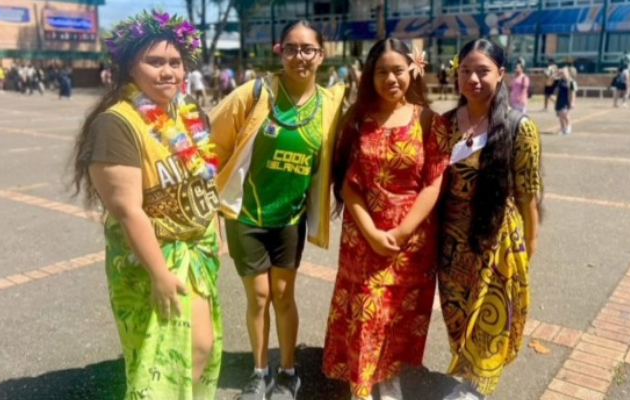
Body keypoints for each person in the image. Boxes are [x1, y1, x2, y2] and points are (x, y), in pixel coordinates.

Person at [69, 11, 223, 399]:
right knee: (160, 361)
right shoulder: (117, 124)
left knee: (201, 346)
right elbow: (128, 210)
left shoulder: (189, 114)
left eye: (175, 63)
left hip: (195, 254)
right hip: (149, 259)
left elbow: (204, 179)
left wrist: (214, 226)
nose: (168, 72)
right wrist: (158, 272)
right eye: (155, 62)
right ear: (130, 67)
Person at [208, 20, 345, 400]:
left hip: (290, 220)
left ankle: (287, 374)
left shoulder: (331, 105)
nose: (299, 56)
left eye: (308, 49)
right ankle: (258, 373)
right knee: (259, 298)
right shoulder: (254, 94)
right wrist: (210, 198)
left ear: (321, 55)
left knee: (284, 295)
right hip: (246, 218)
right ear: (279, 52)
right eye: (291, 48)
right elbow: (211, 141)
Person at [323, 38, 450, 400]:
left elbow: (434, 181)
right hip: (363, 238)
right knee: (366, 315)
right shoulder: (357, 120)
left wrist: (403, 229)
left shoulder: (430, 121)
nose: (390, 78)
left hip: (411, 241)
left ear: (413, 69)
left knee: (398, 316)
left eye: (398, 70)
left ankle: (390, 381)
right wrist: (373, 232)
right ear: (370, 75)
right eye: (382, 71)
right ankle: (360, 389)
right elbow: (347, 184)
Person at [439, 38, 543, 400]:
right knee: (456, 316)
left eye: (483, 71)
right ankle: (466, 375)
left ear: (501, 74)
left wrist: (528, 253)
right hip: (451, 245)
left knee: (488, 319)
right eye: (465, 70)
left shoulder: (519, 127)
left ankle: (476, 390)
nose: (473, 79)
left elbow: (529, 197)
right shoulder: (446, 123)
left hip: (496, 243)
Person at [555, 66, 577, 135]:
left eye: (564, 72)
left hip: (566, 100)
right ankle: (562, 128)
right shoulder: (560, 81)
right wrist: (558, 72)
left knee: (565, 114)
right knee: (560, 116)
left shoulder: (571, 81)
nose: (563, 73)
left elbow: (573, 92)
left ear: (568, 73)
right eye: (562, 72)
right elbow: (552, 78)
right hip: (559, 99)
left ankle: (568, 126)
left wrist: (572, 102)